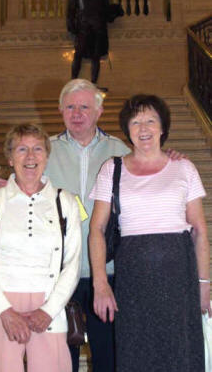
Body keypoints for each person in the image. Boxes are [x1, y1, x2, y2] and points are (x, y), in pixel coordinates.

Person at [0, 79, 184, 372]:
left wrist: (171, 158)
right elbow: (23, 186)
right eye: (70, 107)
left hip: (108, 273)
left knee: (109, 357)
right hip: (57, 274)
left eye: (84, 106)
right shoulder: (43, 151)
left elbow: (152, 172)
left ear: (99, 111)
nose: (77, 113)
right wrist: (8, 186)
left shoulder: (121, 151)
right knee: (60, 360)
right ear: (60, 110)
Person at [89, 94, 211, 372]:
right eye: (136, 122)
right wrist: (100, 283)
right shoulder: (111, 169)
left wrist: (204, 284)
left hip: (180, 278)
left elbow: (200, 231)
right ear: (127, 130)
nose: (143, 128)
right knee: (136, 354)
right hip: (133, 280)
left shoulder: (184, 168)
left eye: (150, 121)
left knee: (181, 353)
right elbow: (96, 229)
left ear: (162, 127)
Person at [0, 123, 82, 372]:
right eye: (22, 149)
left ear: (47, 157)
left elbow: (72, 264)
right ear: (10, 159)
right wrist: (5, 312)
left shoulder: (66, 202)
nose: (31, 156)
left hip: (47, 303)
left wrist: (49, 311)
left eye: (38, 149)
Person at [67, 0, 110, 88]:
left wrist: (72, 28)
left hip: (85, 28)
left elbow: (70, 14)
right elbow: (106, 13)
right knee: (89, 56)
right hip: (94, 28)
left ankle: (76, 80)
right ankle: (89, 82)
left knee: (81, 55)